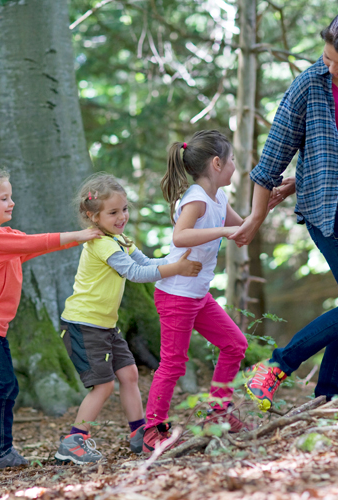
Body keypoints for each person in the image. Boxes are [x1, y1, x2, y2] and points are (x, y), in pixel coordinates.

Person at [230, 8, 338, 409]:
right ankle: (274, 367)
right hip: (331, 208)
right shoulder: (310, 84)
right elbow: (271, 159)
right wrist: (256, 216)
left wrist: (305, 174)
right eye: (327, 57)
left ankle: (329, 397)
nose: (332, 67)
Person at [0, 169, 103, 470]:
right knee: (2, 382)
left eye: (10, 196)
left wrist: (77, 241)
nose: (11, 202)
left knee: (8, 386)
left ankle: (2, 452)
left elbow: (32, 246)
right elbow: (36, 243)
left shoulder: (3, 237)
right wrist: (81, 235)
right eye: (3, 198)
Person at [53, 174, 203, 464]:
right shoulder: (102, 245)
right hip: (83, 325)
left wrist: (176, 260)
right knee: (104, 385)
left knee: (130, 374)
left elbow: (145, 263)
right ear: (92, 216)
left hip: (105, 325)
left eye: (124, 209)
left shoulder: (119, 239)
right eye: (113, 212)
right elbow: (135, 274)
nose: (122, 217)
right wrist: (177, 269)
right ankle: (74, 441)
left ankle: (139, 433)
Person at [142, 130, 250, 453]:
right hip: (176, 294)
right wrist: (224, 230)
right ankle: (152, 430)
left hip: (197, 295)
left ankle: (218, 413)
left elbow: (242, 231)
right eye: (232, 160)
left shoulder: (218, 198)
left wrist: (270, 201)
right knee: (173, 364)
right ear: (217, 163)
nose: (234, 165)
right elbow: (180, 236)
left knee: (235, 344)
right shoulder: (196, 198)